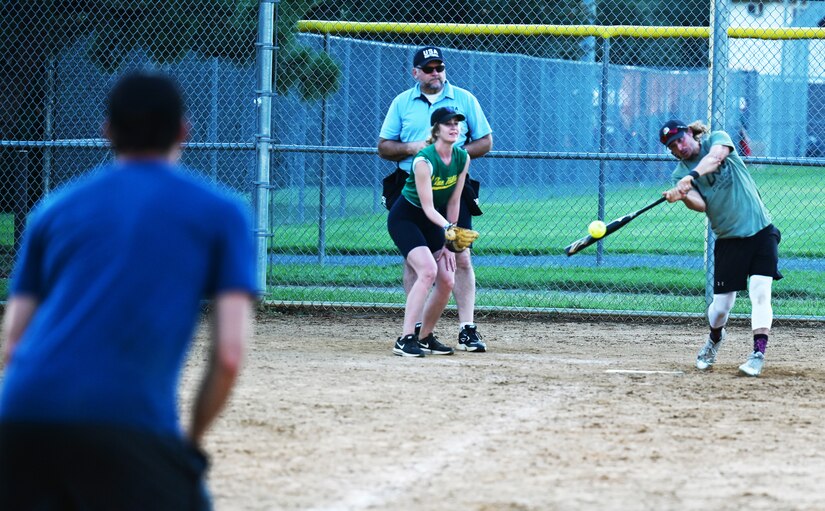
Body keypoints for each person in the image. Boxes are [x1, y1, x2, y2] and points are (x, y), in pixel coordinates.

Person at [0, 72, 257, 509]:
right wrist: (189, 441)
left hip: (21, 418)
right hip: (129, 423)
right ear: (183, 130)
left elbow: (12, 343)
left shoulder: (53, 208)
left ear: (107, 131)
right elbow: (229, 354)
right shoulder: (221, 211)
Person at [379, 45, 493, 352]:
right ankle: (412, 330)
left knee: (459, 258)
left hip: (451, 185)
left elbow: (485, 141)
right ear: (416, 72)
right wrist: (413, 149)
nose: (435, 73)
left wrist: (451, 158)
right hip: (413, 191)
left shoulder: (464, 100)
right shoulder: (403, 103)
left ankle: (464, 328)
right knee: (419, 264)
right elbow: (384, 146)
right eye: (428, 68)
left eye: (439, 68)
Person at [660, 119, 782, 377]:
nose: (679, 146)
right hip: (728, 240)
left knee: (760, 292)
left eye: (680, 139)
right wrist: (682, 195)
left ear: (690, 134)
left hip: (761, 230)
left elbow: (716, 159)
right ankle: (715, 338)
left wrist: (691, 177)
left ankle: (758, 353)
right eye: (672, 146)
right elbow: (700, 204)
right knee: (720, 308)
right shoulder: (679, 175)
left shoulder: (718, 138)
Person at [387, 106, 471, 357]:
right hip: (407, 218)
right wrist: (449, 229)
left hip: (436, 221)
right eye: (448, 123)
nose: (454, 127)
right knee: (427, 271)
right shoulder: (423, 160)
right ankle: (405, 338)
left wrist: (450, 242)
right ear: (436, 130)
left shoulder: (461, 158)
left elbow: (454, 202)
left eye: (457, 122)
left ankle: (424, 337)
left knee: (447, 279)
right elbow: (427, 207)